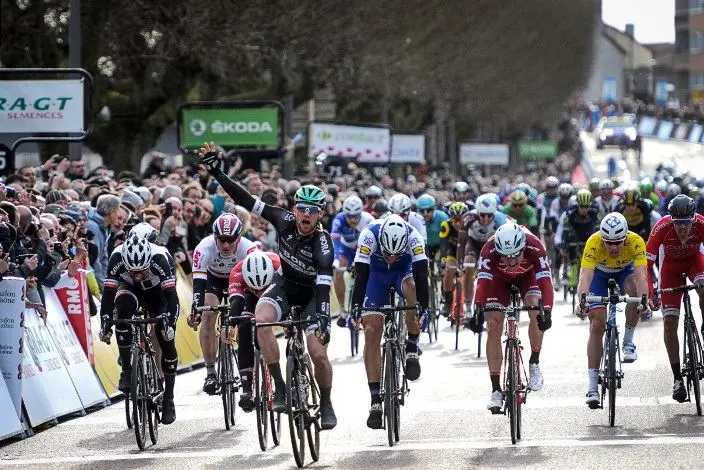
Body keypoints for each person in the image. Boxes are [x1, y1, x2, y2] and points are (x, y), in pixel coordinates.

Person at [200, 142, 337, 430]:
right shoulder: (281, 219)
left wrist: (323, 318)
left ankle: (325, 402)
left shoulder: (323, 245)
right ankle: (281, 387)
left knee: (319, 355)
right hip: (285, 286)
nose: (306, 215)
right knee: (260, 322)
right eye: (302, 209)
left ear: (320, 215)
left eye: (312, 211)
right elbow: (245, 199)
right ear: (294, 209)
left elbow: (324, 287)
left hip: (313, 296)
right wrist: (218, 173)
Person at [350, 214, 429, 429]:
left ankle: (412, 345)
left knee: (412, 288)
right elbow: (361, 277)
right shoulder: (368, 235)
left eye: (396, 254)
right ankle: (375, 400)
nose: (391, 258)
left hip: (403, 273)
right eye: (387, 253)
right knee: (372, 330)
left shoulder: (414, 238)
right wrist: (355, 309)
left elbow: (422, 277)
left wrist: (424, 308)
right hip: (375, 275)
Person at [467, 222, 553, 412]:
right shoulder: (489, 249)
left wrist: (547, 310)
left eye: (516, 255)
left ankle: (534, 362)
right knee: (493, 325)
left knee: (536, 311)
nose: (512, 261)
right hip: (499, 279)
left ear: (523, 247)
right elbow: (482, 283)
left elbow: (545, 282)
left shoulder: (534, 246)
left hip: (527, 276)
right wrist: (478, 310)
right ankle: (496, 389)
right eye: (506, 257)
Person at [98, 235, 179, 424]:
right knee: (123, 313)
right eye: (132, 270)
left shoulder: (160, 258)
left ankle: (169, 398)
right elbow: (108, 295)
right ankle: (127, 369)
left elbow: (172, 297)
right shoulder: (117, 257)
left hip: (158, 294)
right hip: (130, 291)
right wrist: (106, 323)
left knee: (165, 336)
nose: (137, 274)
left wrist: (170, 324)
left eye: (141, 270)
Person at [574, 212, 650, 408]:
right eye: (609, 242)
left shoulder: (636, 241)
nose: (613, 247)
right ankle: (592, 386)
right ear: (602, 238)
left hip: (626, 271)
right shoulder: (594, 242)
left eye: (618, 242)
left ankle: (628, 342)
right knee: (597, 324)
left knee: (634, 291)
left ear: (626, 237)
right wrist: (582, 301)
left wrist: (644, 301)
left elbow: (642, 276)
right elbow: (585, 276)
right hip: (599, 274)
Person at [187, 213, 258, 395]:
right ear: (214, 237)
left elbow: (255, 282)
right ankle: (211, 372)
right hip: (214, 280)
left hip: (241, 280)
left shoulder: (250, 249)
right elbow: (198, 284)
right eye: (222, 240)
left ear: (239, 238)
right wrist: (196, 310)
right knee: (208, 315)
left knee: (243, 319)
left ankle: (246, 368)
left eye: (231, 240)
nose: (226, 245)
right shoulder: (204, 247)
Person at [646, 195, 704, 402]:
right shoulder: (661, 227)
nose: (682, 228)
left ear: (693, 218)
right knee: (670, 322)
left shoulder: (701, 224)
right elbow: (646, 264)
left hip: (695, 262)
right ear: (671, 220)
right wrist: (651, 292)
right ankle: (677, 378)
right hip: (670, 268)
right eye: (678, 223)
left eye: (686, 223)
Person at [227, 250, 282, 411]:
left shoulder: (278, 267)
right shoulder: (237, 272)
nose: (259, 292)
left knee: (290, 323)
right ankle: (246, 388)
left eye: (261, 288)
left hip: (274, 293)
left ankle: (294, 372)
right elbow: (236, 301)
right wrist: (229, 327)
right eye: (255, 289)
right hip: (246, 296)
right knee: (243, 325)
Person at [456, 193, 508, 321]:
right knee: (468, 267)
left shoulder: (501, 220)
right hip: (473, 244)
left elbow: (506, 244)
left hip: (491, 245)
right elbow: (461, 243)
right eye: (482, 215)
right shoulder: (468, 217)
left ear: (494, 213)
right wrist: (460, 261)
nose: (485, 219)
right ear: (477, 212)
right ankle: (468, 306)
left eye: (489, 215)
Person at [331, 195, 374, 326]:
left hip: (363, 249)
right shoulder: (339, 220)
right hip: (346, 249)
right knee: (338, 273)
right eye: (349, 216)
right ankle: (343, 310)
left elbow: (374, 243)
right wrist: (336, 260)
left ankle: (366, 304)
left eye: (356, 216)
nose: (352, 219)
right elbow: (335, 242)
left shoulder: (368, 220)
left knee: (369, 274)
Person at [554, 189, 600, 284]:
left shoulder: (595, 212)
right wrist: (565, 245)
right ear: (578, 204)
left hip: (588, 234)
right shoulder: (570, 213)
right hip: (575, 234)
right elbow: (566, 231)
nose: (584, 209)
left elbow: (598, 230)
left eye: (587, 206)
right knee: (571, 251)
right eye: (582, 206)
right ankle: (572, 277)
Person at [439, 202, 469, 318]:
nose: (458, 223)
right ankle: (447, 301)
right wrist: (443, 259)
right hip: (452, 252)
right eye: (455, 220)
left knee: (468, 275)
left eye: (460, 220)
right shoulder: (446, 225)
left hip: (466, 252)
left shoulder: (470, 225)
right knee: (448, 271)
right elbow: (443, 245)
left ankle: (469, 304)